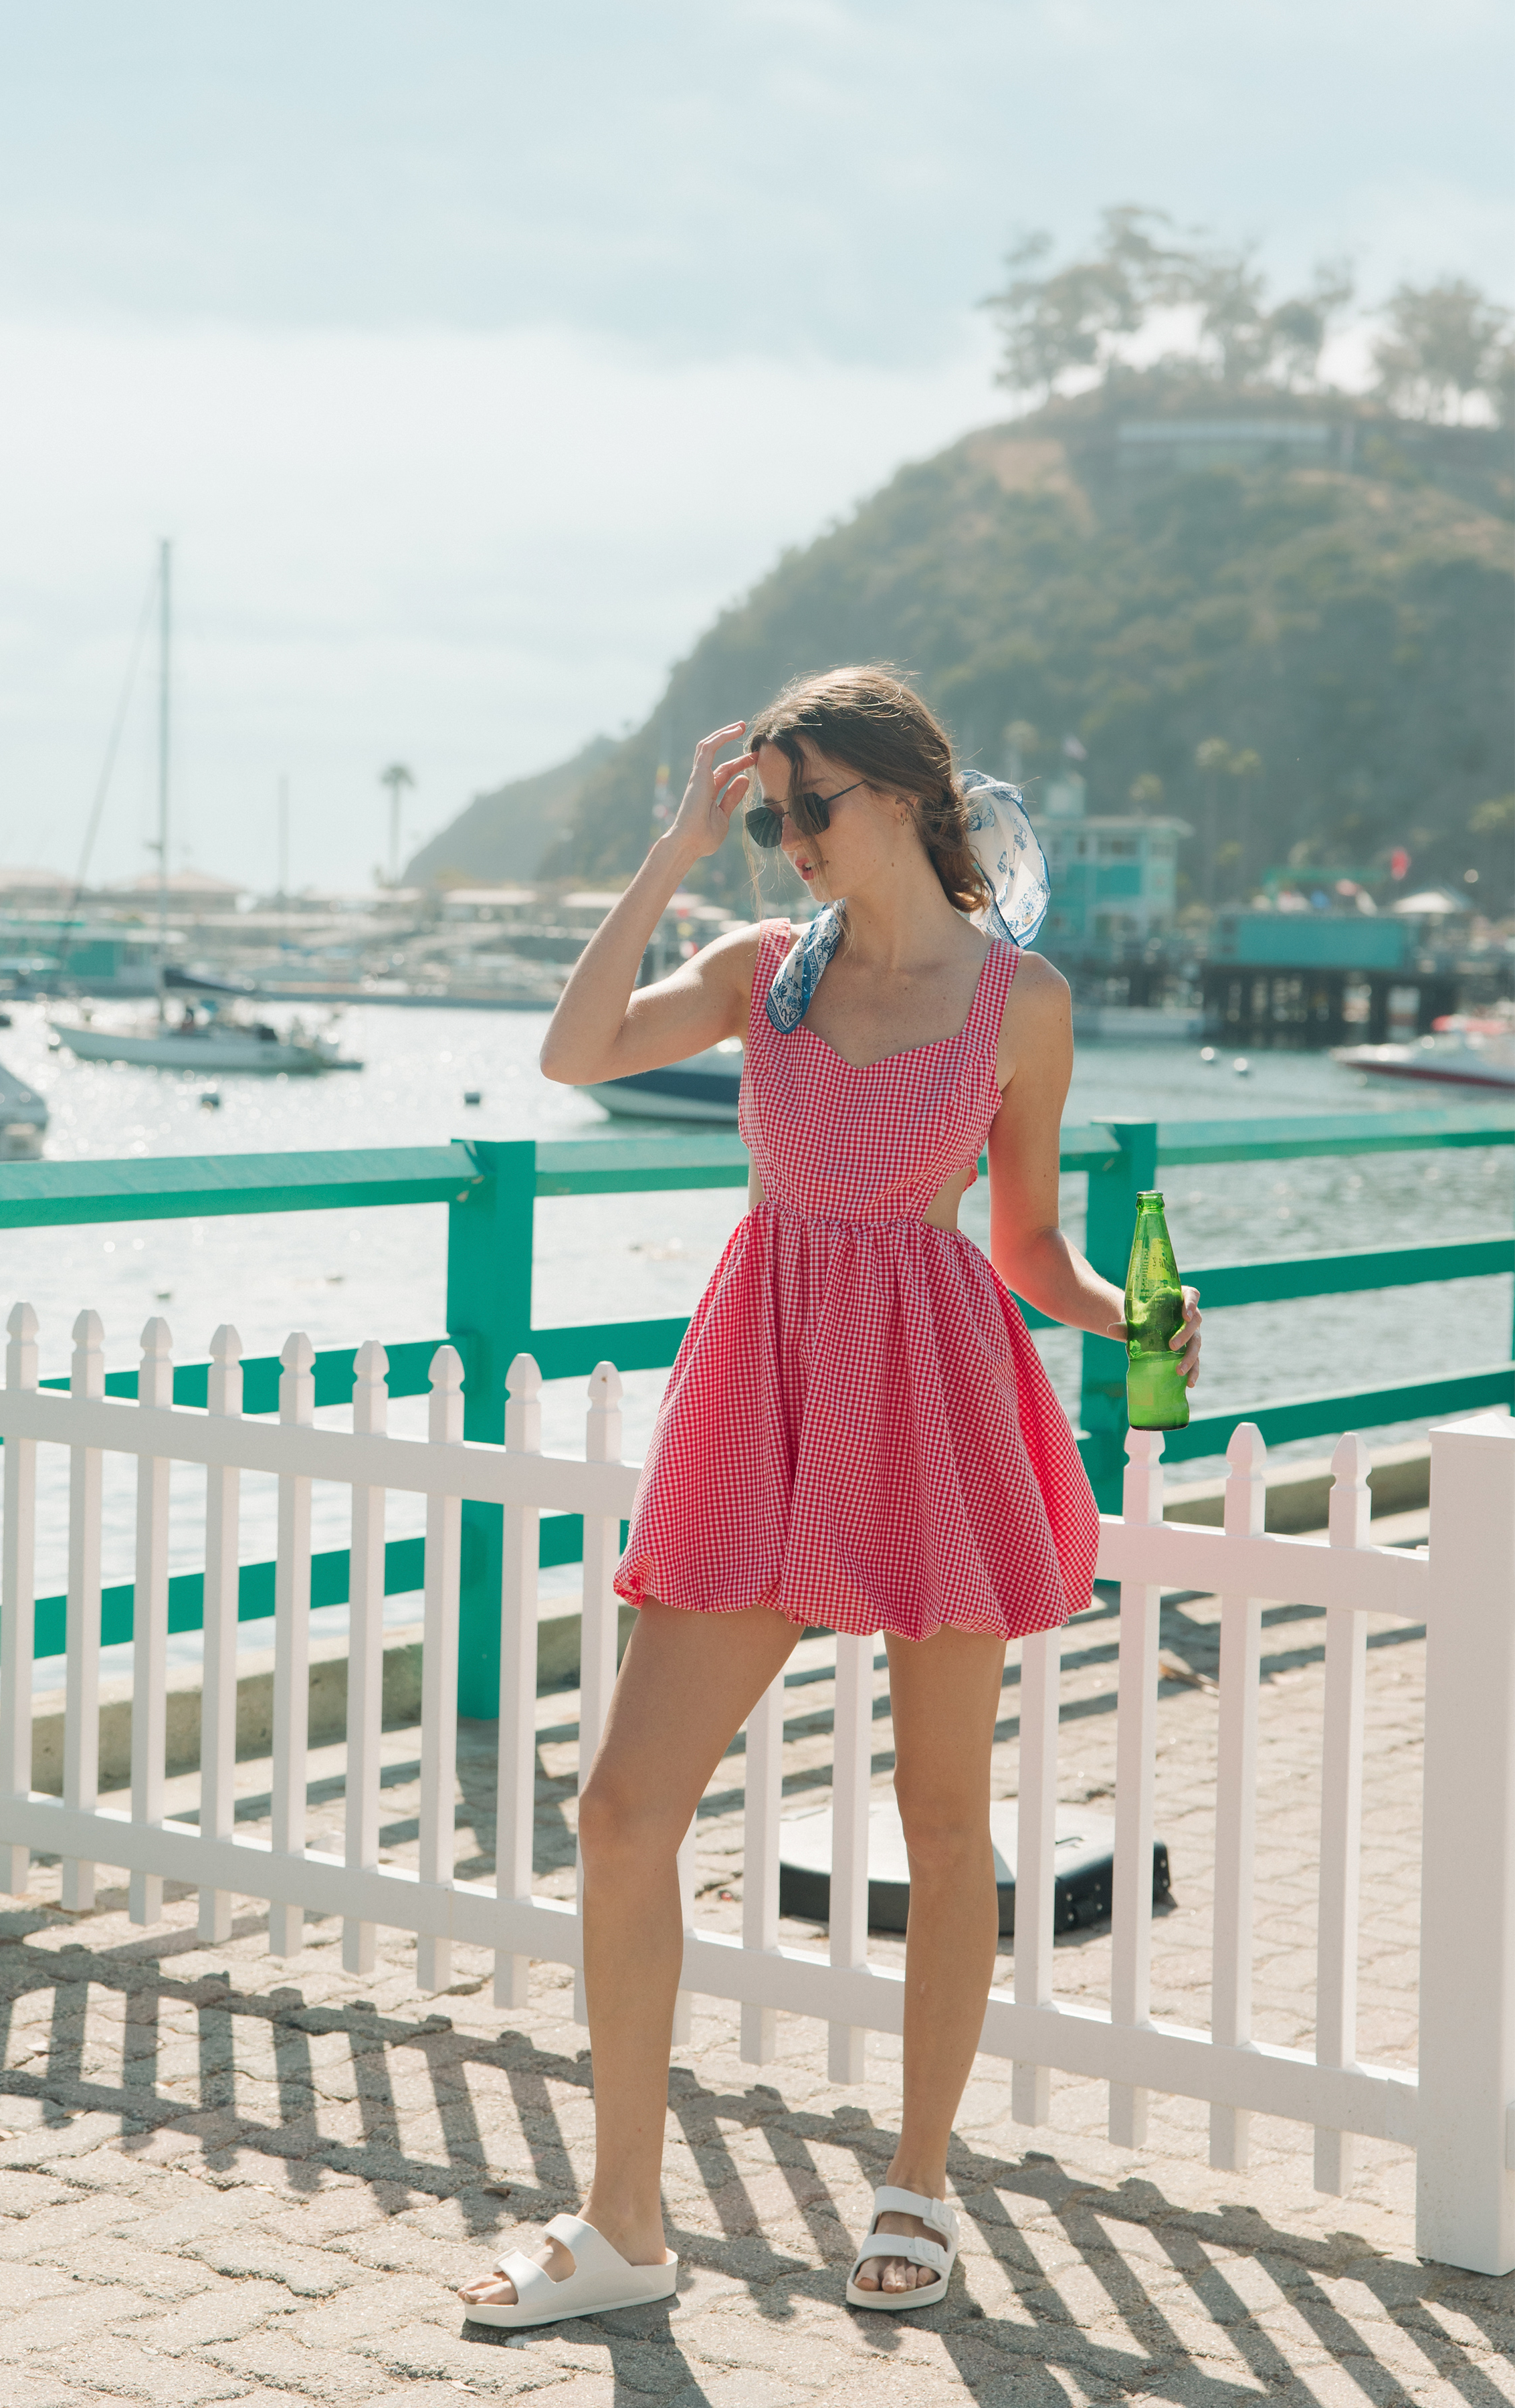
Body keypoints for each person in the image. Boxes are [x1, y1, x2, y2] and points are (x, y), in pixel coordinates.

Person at [459, 667, 1202, 2327]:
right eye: (772, 811)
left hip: (937, 1403)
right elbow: (576, 1049)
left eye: (812, 806)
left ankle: (919, 2188)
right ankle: (628, 2226)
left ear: (909, 798)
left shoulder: (1023, 1004)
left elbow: (1023, 1249)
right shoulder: (757, 979)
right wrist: (671, 849)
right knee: (623, 1811)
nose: (786, 838)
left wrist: (1128, 1313)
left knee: (948, 1825)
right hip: (763, 1396)